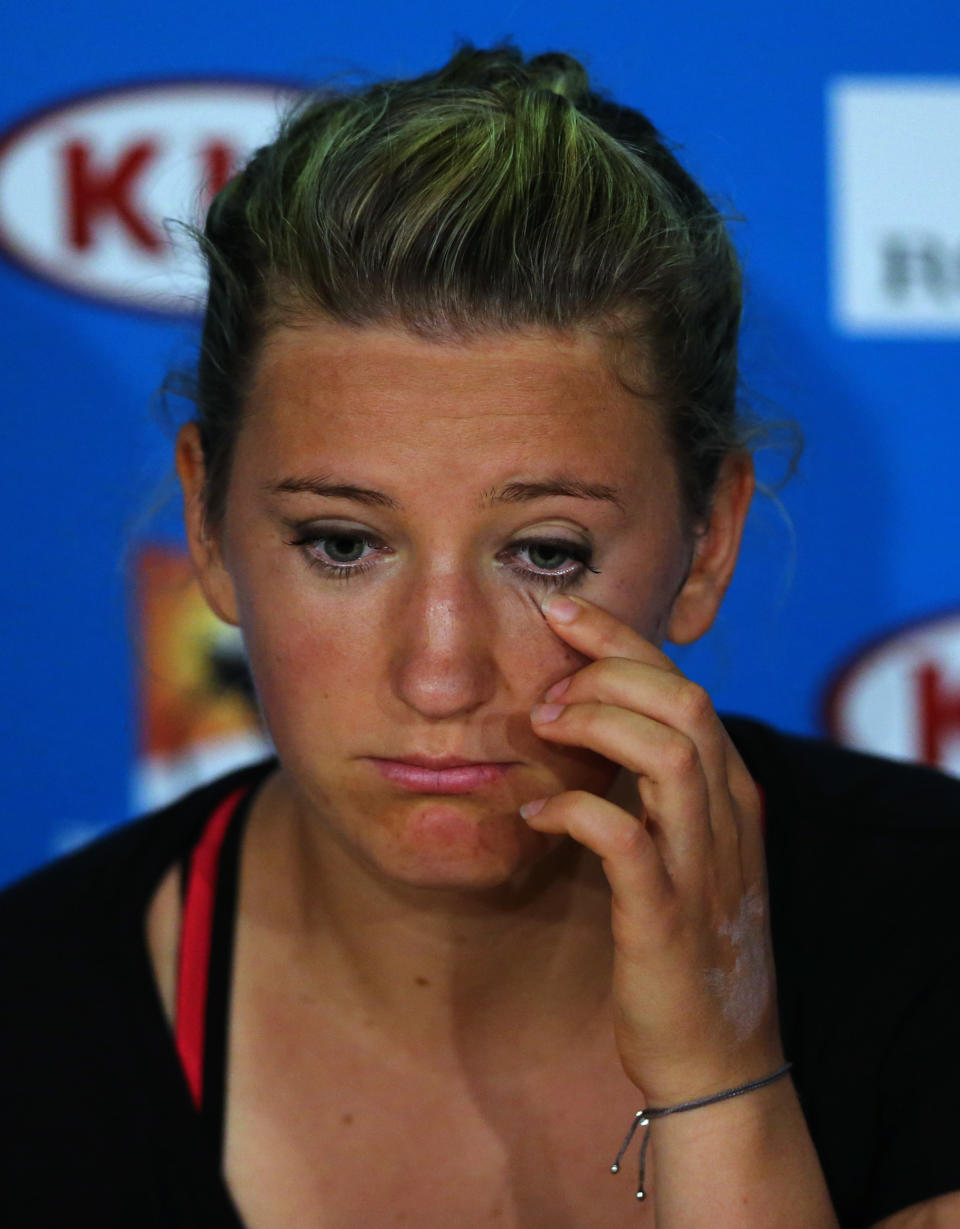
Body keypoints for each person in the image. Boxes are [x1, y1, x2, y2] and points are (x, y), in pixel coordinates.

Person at [2, 42, 960, 1229]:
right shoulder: (26, 1022)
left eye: (545, 552)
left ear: (709, 539)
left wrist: (727, 1088)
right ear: (206, 522)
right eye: (343, 543)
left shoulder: (936, 940)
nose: (440, 671)